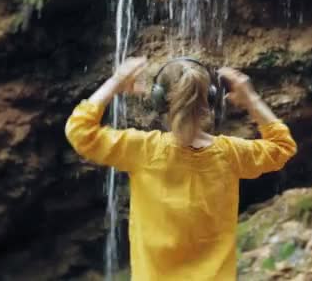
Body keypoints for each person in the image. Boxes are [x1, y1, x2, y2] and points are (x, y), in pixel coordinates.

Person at [65, 56, 297, 280]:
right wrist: (251, 98)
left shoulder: (143, 150)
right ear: (212, 99)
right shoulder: (231, 153)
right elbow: (282, 146)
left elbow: (79, 131)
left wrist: (115, 82)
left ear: (159, 100)